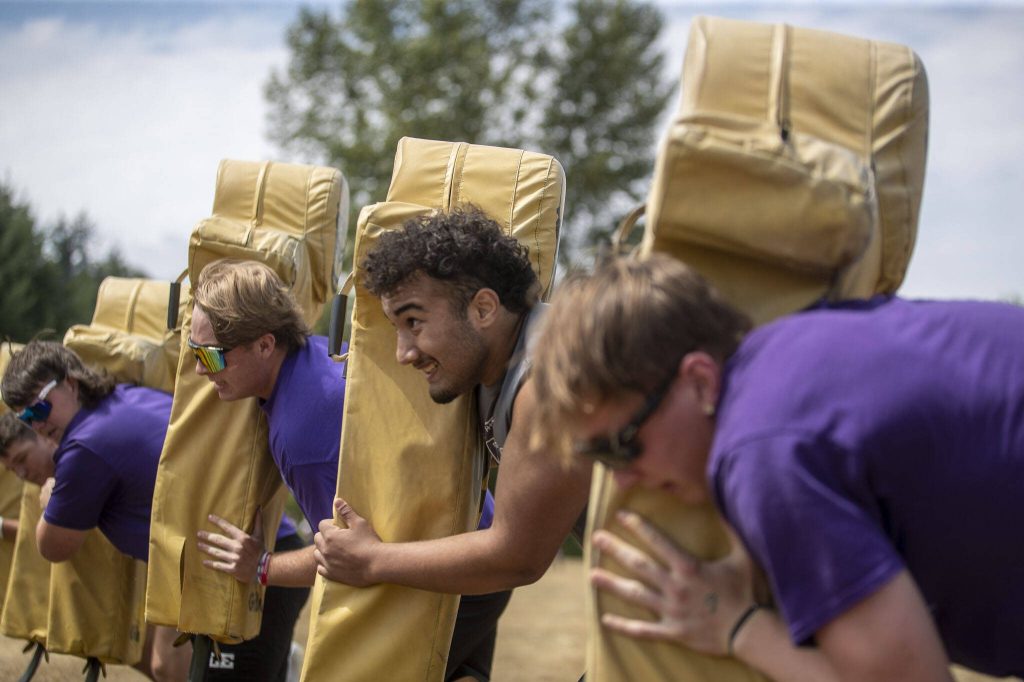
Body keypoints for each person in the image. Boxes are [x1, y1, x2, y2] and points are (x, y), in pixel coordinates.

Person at [527, 254, 1024, 681]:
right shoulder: (795, 347)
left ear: (699, 382)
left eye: (621, 446)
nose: (621, 480)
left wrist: (739, 627)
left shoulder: (759, 453)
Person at [189, 257, 506, 681]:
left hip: (454, 573)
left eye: (210, 357)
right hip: (471, 546)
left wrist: (260, 567)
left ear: (265, 345)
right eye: (193, 352)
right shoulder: (317, 356)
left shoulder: (300, 432)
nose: (198, 370)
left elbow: (339, 555)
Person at [312, 208, 592, 679]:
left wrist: (372, 560)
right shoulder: (493, 367)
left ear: (483, 309)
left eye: (414, 321)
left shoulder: (546, 379)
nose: (403, 353)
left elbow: (517, 557)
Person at [0, 341, 190, 681]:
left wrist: (48, 500)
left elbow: (53, 546)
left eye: (39, 409)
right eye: (26, 419)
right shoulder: (125, 396)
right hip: (220, 559)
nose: (37, 424)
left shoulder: (83, 445)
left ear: (70, 383)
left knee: (169, 666)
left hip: (233, 565)